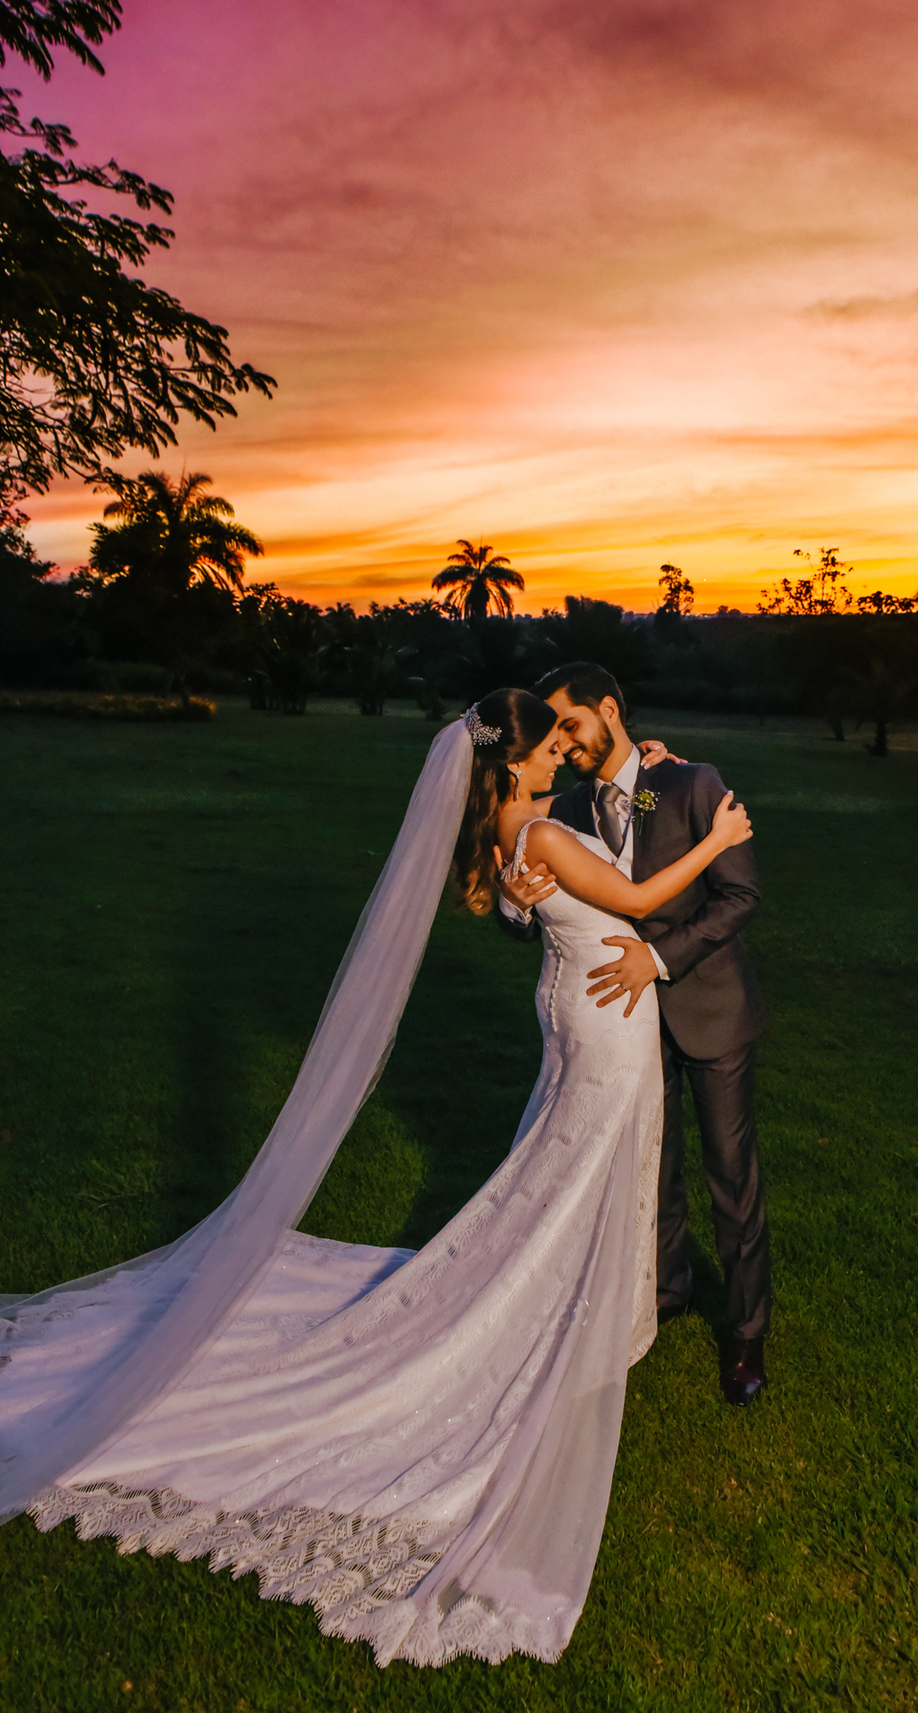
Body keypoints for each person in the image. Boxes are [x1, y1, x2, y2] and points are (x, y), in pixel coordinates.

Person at [0, 690, 751, 1668]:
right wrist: (717, 832)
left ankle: (581, 1304)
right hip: (606, 1028)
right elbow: (643, 898)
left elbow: (601, 847)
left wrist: (645, 777)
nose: (567, 748)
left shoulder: (514, 835)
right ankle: (559, 1316)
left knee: (556, 1175)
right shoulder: (551, 838)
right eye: (552, 741)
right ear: (515, 760)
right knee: (574, 1177)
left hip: (573, 1011)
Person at [497, 662, 771, 1406]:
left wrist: (657, 958)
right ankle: (666, 1285)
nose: (565, 743)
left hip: (707, 1006)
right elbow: (530, 877)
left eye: (571, 725)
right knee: (654, 1161)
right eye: (553, 734)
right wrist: (514, 908)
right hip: (623, 1020)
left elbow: (741, 892)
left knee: (731, 1178)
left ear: (608, 711)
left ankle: (745, 1335)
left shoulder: (685, 781)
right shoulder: (571, 804)